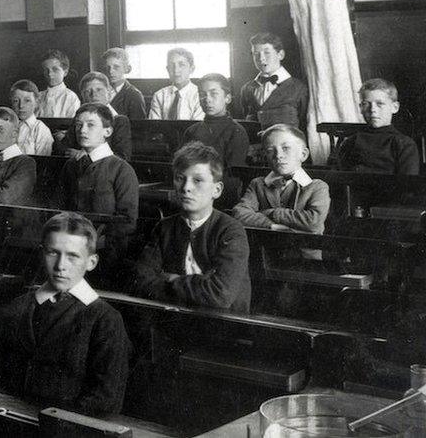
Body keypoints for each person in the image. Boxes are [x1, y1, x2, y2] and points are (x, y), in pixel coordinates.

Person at [0, 212, 130, 416]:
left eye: (73, 256)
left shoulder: (105, 320)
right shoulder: (19, 307)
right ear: (42, 253)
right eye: (53, 253)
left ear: (91, 262)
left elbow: (105, 400)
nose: (60, 266)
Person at [132, 142, 251, 312]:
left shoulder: (230, 231)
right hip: (175, 321)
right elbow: (140, 281)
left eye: (198, 180)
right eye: (180, 178)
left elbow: (220, 294)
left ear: (216, 190)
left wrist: (171, 280)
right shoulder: (164, 227)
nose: (186, 188)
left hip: (224, 326)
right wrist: (200, 284)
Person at [232, 125, 330, 260]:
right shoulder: (258, 184)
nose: (278, 155)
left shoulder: (317, 187)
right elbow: (239, 214)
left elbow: (313, 222)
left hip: (306, 261)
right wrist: (272, 226)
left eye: (286, 148)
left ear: (303, 154)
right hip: (265, 258)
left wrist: (271, 213)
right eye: (270, 150)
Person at [59, 103, 139, 243]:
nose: (82, 130)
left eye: (90, 125)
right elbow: (60, 208)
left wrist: (95, 241)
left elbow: (127, 221)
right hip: (69, 241)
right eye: (78, 125)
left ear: (107, 131)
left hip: (105, 246)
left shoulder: (121, 169)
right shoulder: (70, 165)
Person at [336, 78, 419, 175]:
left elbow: (408, 185)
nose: (372, 110)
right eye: (366, 104)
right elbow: (340, 180)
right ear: (361, 108)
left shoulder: (404, 144)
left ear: (394, 107)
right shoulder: (350, 142)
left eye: (380, 104)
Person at [238, 32, 308, 131]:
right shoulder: (247, 89)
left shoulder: (299, 88)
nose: (261, 59)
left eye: (267, 52)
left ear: (280, 55)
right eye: (256, 54)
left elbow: (304, 126)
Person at [54, 72, 132, 160]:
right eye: (87, 91)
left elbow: (123, 157)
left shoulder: (119, 121)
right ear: (82, 96)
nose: (93, 94)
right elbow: (65, 148)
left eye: (99, 89)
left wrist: (87, 156)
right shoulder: (80, 119)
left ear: (109, 92)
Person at [182, 74, 249, 168]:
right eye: (202, 94)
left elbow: (234, 173)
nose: (207, 99)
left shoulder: (236, 131)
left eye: (213, 94)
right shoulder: (191, 131)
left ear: (227, 98)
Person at [148, 48, 204, 121]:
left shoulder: (199, 95)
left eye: (181, 65)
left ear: (192, 69)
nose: (176, 70)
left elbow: (197, 127)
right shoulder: (159, 96)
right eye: (172, 65)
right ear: (167, 69)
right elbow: (154, 126)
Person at [10, 80, 53, 156]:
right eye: (16, 101)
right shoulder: (8, 125)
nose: (21, 106)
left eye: (27, 100)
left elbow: (42, 161)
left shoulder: (40, 129)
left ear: (36, 102)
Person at [101, 48, 146, 121]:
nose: (111, 71)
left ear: (127, 69)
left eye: (116, 67)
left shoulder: (134, 95)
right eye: (107, 67)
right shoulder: (98, 91)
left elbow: (138, 127)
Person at [37, 49, 81, 118]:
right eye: (46, 70)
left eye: (55, 69)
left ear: (65, 72)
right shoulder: (38, 97)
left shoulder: (71, 98)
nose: (50, 74)